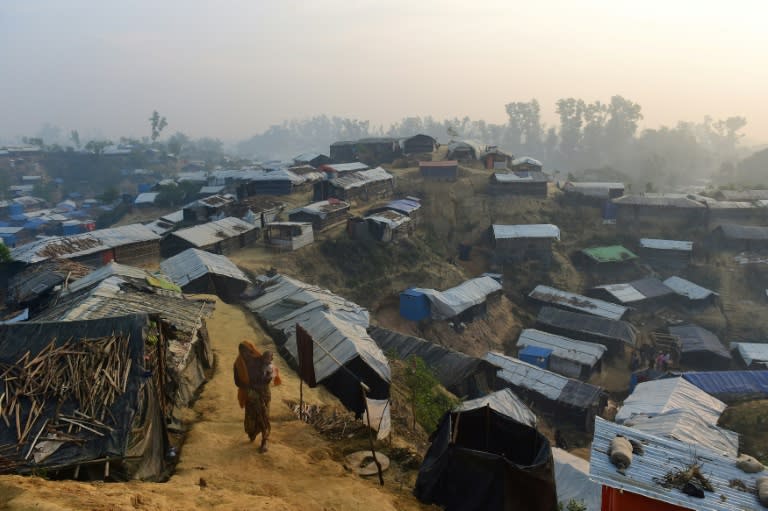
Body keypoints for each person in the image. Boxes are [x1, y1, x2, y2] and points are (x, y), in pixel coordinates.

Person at [233, 341, 281, 452]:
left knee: (263, 415)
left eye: (247, 352)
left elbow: (270, 370)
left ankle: (265, 440)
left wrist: (266, 379)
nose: (245, 355)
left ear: (251, 351)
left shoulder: (259, 359)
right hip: (250, 393)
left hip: (264, 392)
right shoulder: (238, 364)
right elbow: (237, 382)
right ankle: (252, 433)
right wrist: (249, 386)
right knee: (251, 417)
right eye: (242, 352)